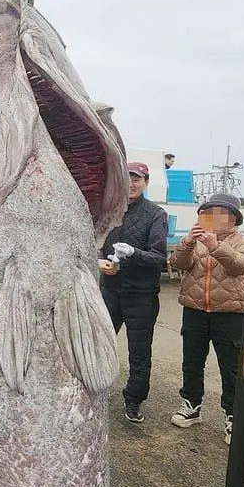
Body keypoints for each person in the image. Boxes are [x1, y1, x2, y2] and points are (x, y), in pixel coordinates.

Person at [168, 193, 244, 445]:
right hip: (194, 310)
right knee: (192, 361)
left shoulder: (243, 241)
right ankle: (192, 405)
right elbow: (176, 263)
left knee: (231, 368)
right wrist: (186, 243)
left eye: (221, 213)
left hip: (230, 314)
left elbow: (240, 266)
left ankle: (233, 415)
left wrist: (215, 246)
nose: (214, 218)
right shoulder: (197, 240)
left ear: (233, 218)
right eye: (209, 213)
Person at [99, 161, 168, 424]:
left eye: (137, 179)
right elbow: (97, 245)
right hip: (111, 292)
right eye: (127, 179)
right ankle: (98, 390)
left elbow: (159, 257)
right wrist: (103, 263)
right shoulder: (111, 210)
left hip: (142, 296)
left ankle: (134, 399)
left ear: (146, 182)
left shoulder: (155, 214)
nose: (132, 184)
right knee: (101, 344)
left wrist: (134, 253)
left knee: (139, 352)